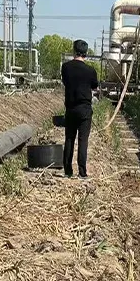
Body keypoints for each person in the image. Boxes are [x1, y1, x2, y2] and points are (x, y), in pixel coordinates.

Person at [61, 39, 98, 178]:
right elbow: (95, 86)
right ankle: (82, 172)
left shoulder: (66, 67)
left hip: (70, 108)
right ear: (86, 53)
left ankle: (67, 171)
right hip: (85, 109)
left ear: (74, 51)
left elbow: (65, 82)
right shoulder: (90, 70)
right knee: (83, 140)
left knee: (69, 139)